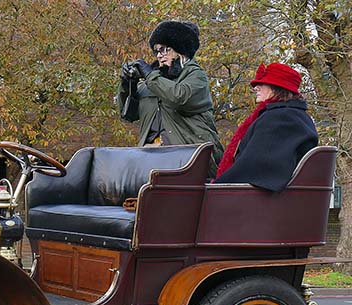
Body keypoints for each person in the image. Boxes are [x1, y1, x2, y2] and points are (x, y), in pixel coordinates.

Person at [118, 20, 224, 176]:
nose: (159, 56)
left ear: (180, 50)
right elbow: (128, 113)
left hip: (190, 158)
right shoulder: (152, 81)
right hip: (149, 158)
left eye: (164, 49)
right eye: (156, 51)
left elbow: (178, 97)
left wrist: (148, 74)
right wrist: (128, 83)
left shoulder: (196, 76)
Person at [214, 63, 319, 192]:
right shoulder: (294, 116)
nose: (256, 88)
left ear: (277, 88)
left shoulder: (280, 118)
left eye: (262, 84)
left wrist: (217, 186)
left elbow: (255, 165)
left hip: (258, 203)